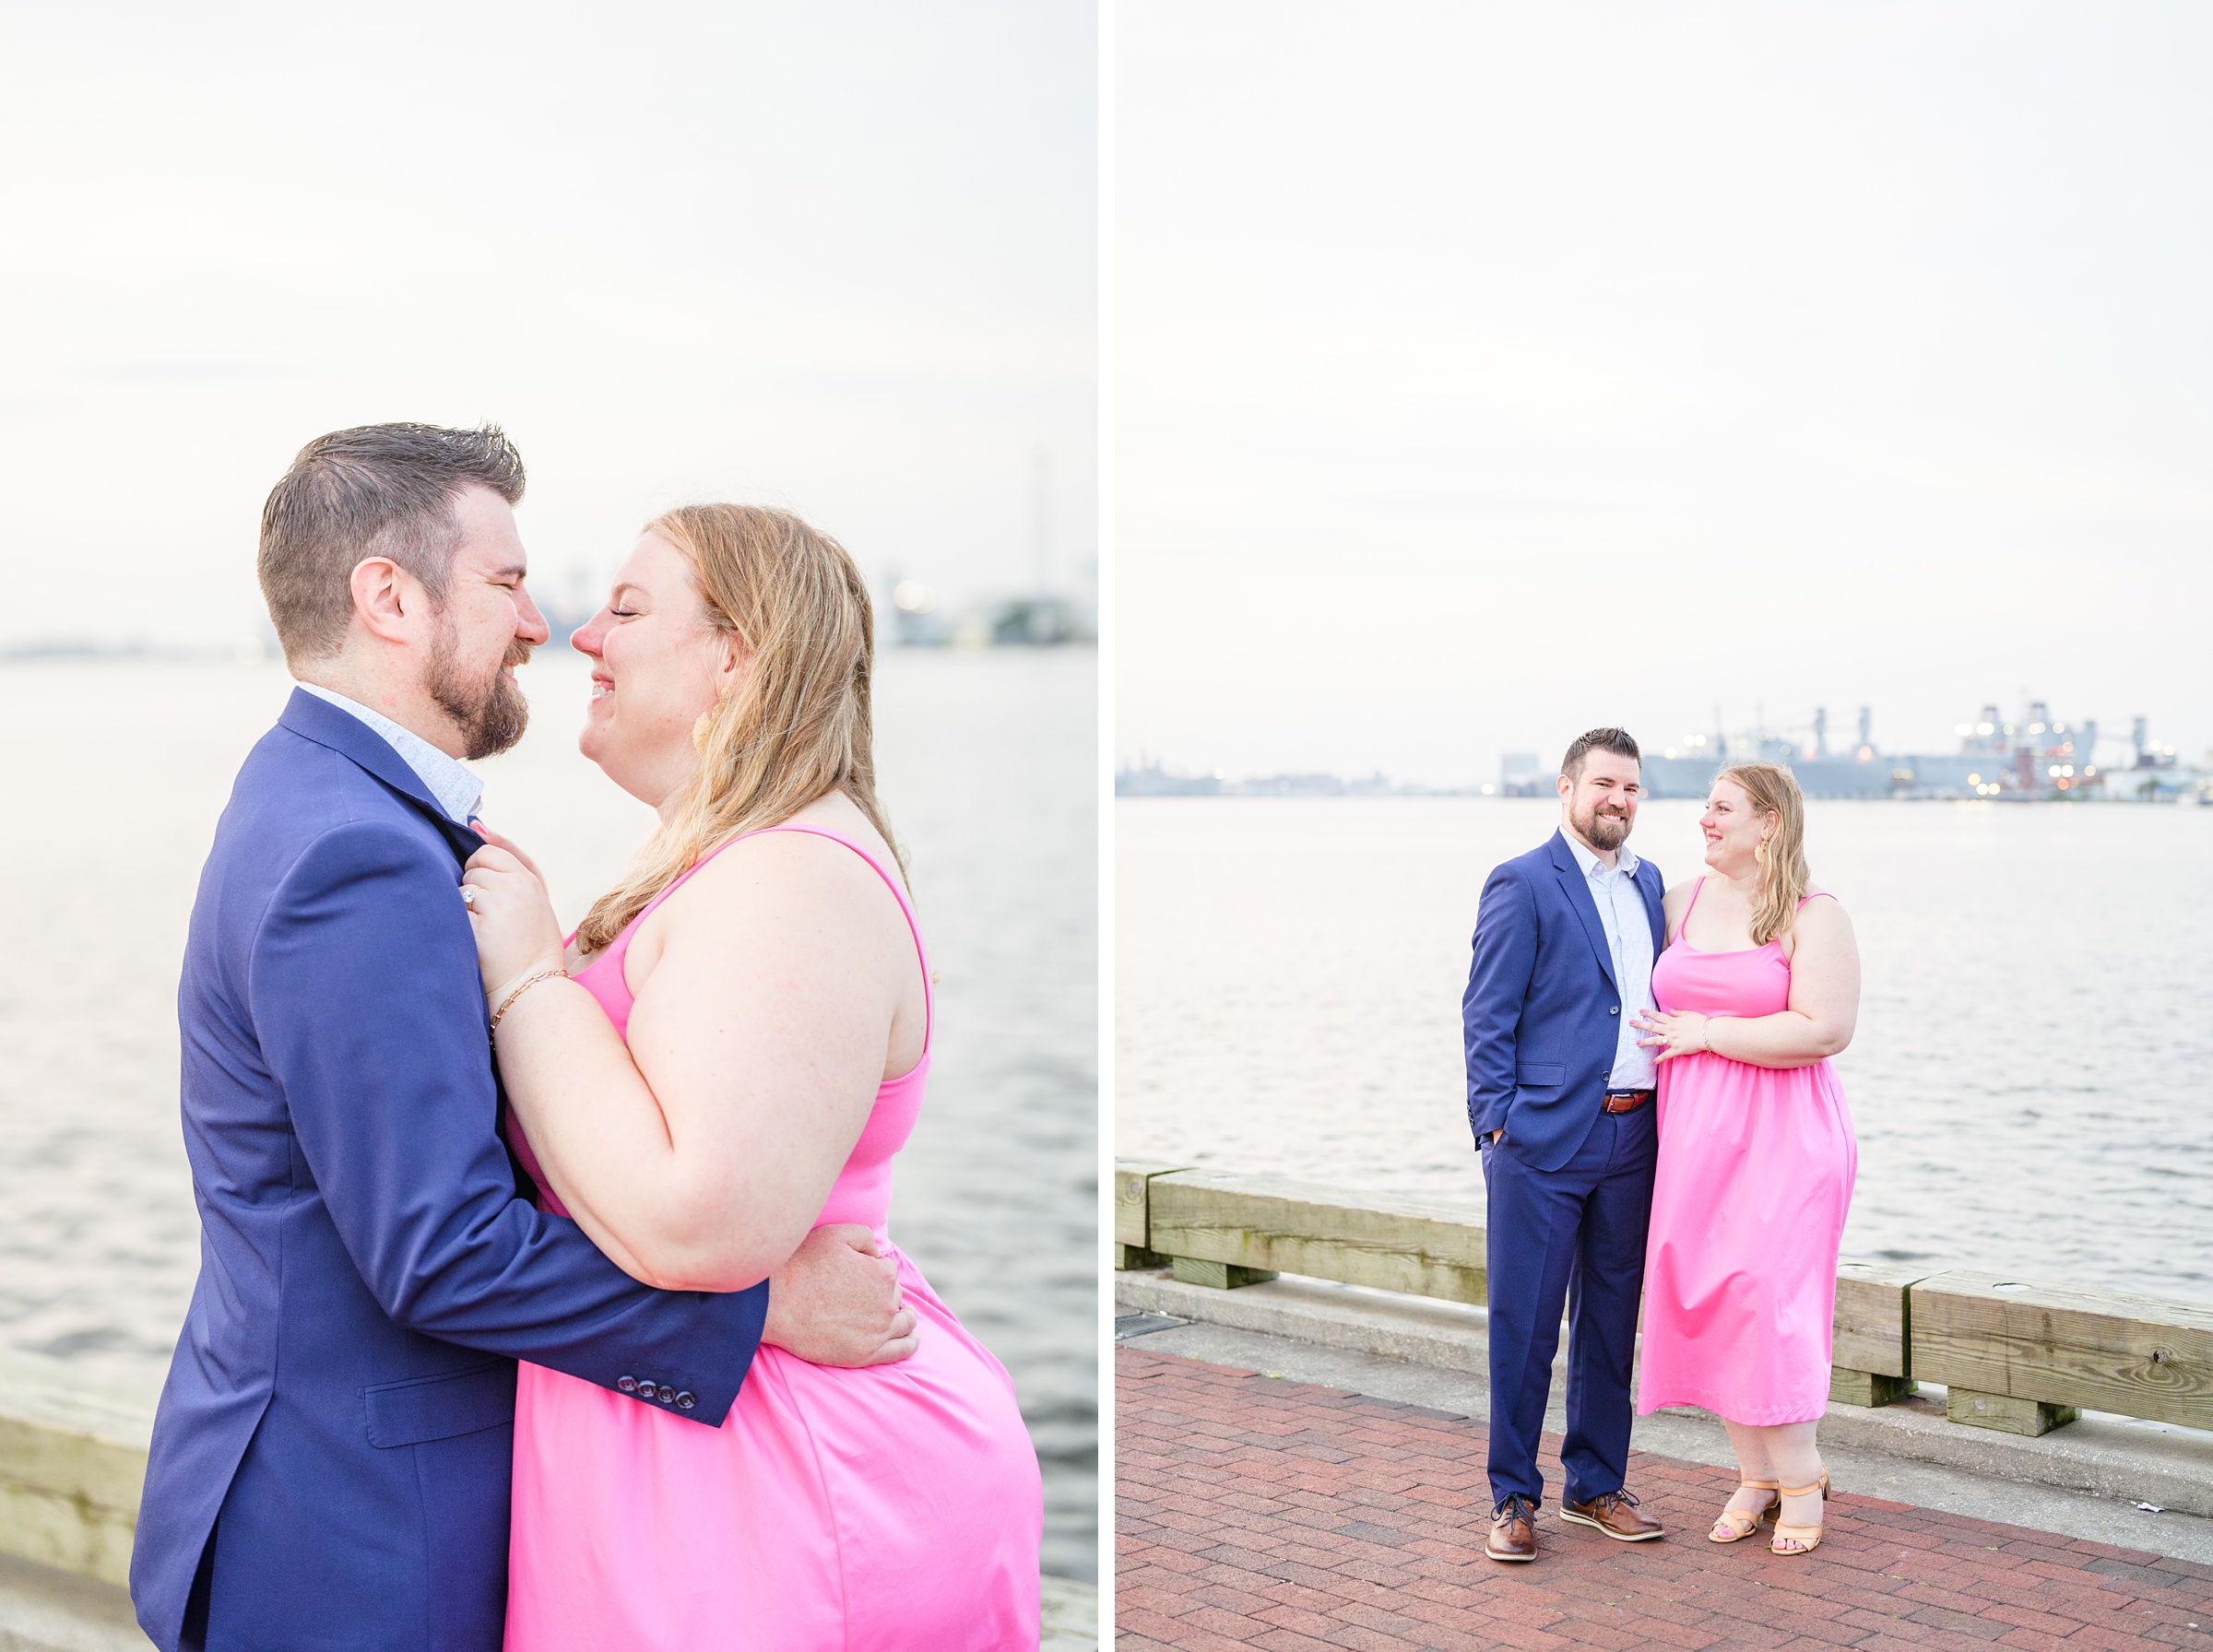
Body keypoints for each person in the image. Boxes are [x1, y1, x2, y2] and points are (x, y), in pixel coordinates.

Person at [133, 425, 913, 1652]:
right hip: (365, 1535)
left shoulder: (318, 795)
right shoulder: (356, 852)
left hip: (339, 1491)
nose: (542, 623)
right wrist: (757, 1315)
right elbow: (438, 1247)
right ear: (389, 598)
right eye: (505, 582)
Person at [458, 502, 1043, 1649]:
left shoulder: (791, 880)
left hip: (782, 1488)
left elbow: (699, 1219)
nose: (583, 635)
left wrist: (527, 979)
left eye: (627, 609)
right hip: (689, 1469)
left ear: (737, 657)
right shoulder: (729, 860)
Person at [1632, 762, 1860, 1557]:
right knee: (1713, 1301)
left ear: (1768, 823)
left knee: (1770, 1306)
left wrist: (1707, 1033)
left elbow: (1826, 1029)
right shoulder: (1675, 904)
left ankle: (1801, 1478)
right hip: (1693, 1141)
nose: (1704, 819)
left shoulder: (1812, 914)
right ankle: (1754, 1474)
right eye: (1704, 806)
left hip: (1785, 1140)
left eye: (1721, 808)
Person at [1461, 727, 1668, 1564]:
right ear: (1567, 788)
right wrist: (1495, 1124)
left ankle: (1595, 1484)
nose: (1618, 800)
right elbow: (1487, 1013)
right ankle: (1513, 1497)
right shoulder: (1523, 882)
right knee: (1526, 1323)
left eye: (1632, 788)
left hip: (1635, 1132)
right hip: (1540, 1141)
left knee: (1612, 1324)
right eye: (1605, 785)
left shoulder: (1652, 884)